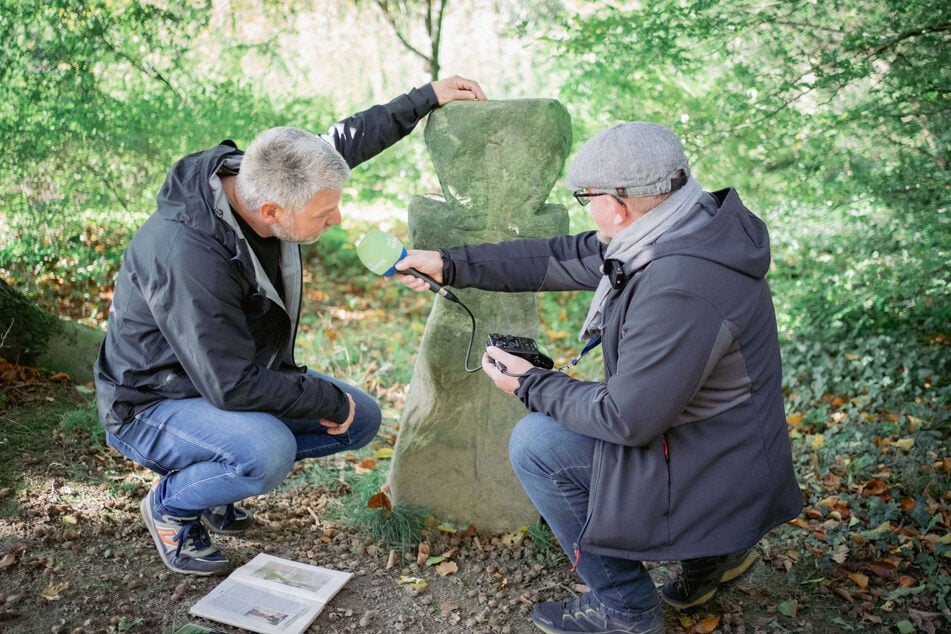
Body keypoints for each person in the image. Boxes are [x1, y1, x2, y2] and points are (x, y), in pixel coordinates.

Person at [396, 122, 803, 633]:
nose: (586, 207)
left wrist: (529, 384)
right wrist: (449, 264)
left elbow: (625, 418)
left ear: (617, 204)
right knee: (559, 428)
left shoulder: (679, 286)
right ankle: (715, 557)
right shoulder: (683, 227)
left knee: (537, 442)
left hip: (711, 471)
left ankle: (627, 610)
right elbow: (561, 257)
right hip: (730, 455)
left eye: (586, 196)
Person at [93, 76, 487, 576]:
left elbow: (339, 144)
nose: (338, 219)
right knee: (267, 449)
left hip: (212, 380)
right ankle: (173, 505)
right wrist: (324, 400)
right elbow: (232, 385)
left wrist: (426, 97)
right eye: (325, 212)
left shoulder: (268, 173)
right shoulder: (190, 257)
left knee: (361, 418)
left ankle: (215, 477)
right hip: (152, 401)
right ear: (273, 211)